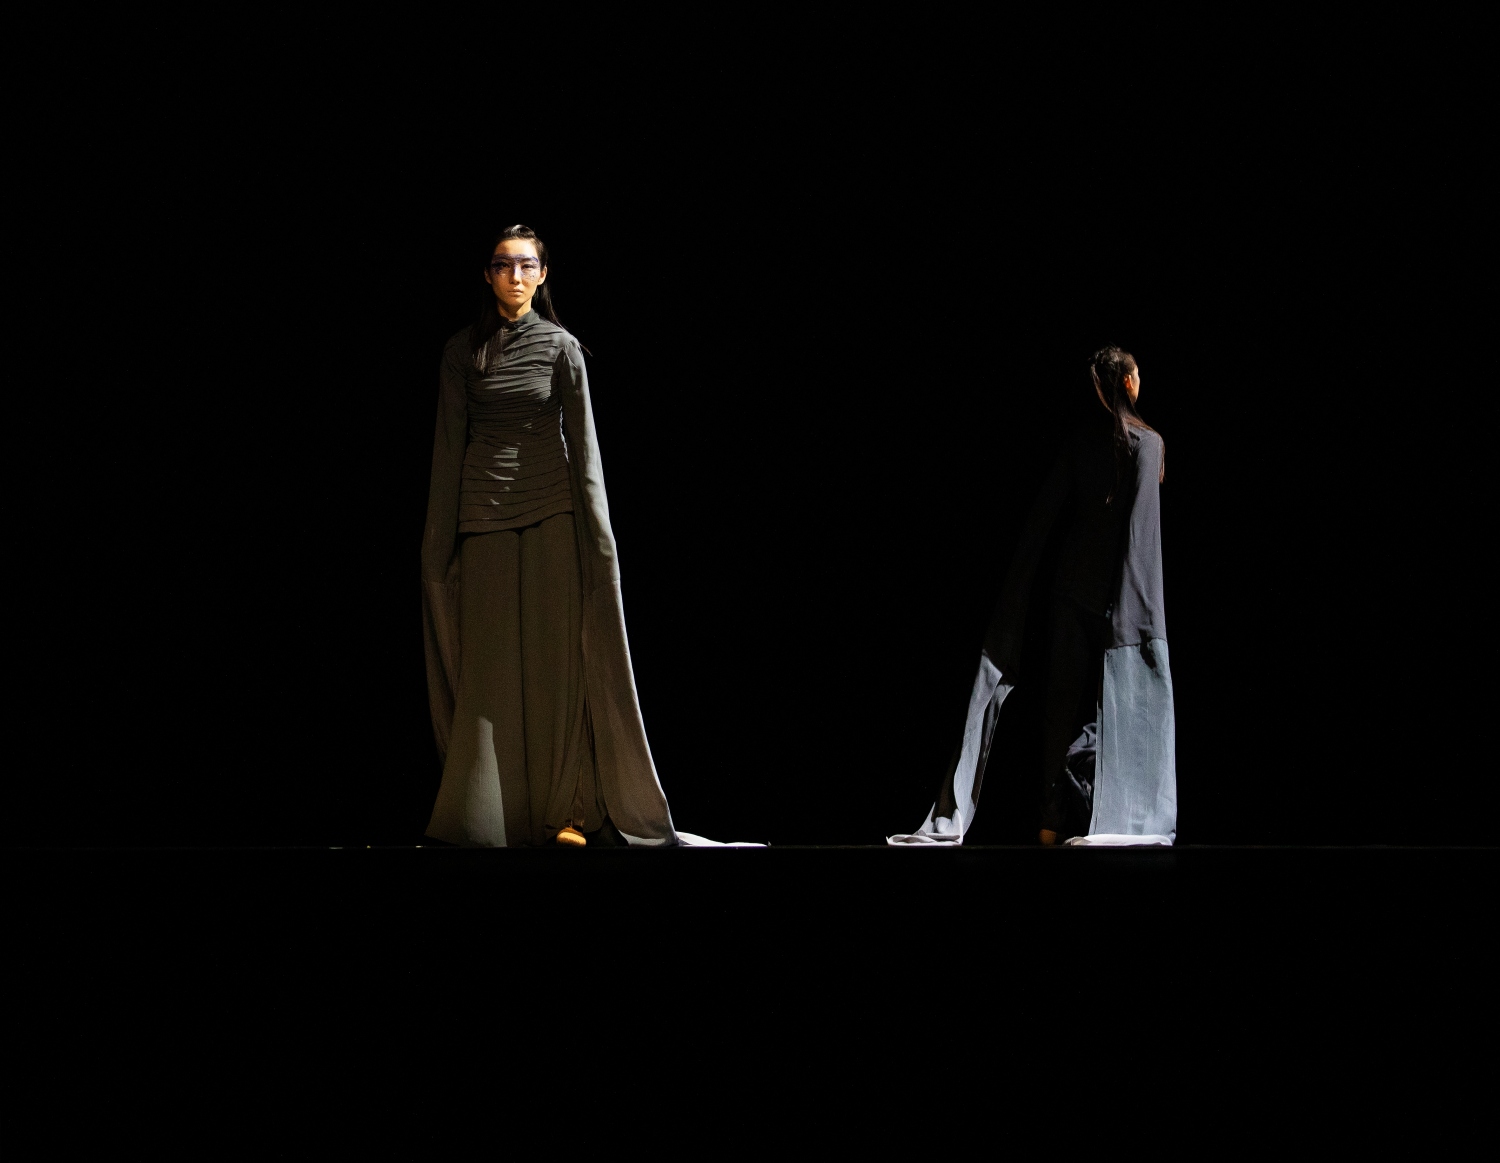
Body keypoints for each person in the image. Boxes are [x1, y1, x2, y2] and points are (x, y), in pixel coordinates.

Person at [420, 225, 678, 847]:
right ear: (488, 275)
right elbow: (447, 452)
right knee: (490, 671)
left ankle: (568, 811)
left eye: (525, 265)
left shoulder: (563, 348)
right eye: (502, 265)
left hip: (553, 512)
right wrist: (437, 546)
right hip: (483, 515)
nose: (514, 276)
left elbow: (585, 451)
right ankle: (489, 813)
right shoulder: (462, 352)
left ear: (541, 275)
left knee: (555, 665)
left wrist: (599, 539)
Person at [889, 345, 1177, 846]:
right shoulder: (1146, 443)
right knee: (1113, 709)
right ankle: (1093, 803)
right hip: (1119, 601)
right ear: (1130, 383)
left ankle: (1050, 822)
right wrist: (1138, 616)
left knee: (1060, 710)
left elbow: (1044, 518)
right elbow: (1141, 536)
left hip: (1069, 593)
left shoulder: (1080, 441)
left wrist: (1018, 589)